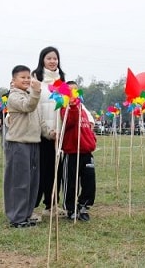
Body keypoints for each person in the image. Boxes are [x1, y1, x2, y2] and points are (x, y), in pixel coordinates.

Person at [3, 65, 54, 228]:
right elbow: (28, 106)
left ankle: (27, 213)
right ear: (14, 80)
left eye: (28, 77)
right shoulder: (14, 97)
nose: (26, 80)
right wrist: (37, 91)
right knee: (19, 181)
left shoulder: (31, 96)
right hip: (19, 143)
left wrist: (50, 133)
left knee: (32, 181)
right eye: (22, 77)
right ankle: (17, 218)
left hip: (34, 144)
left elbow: (40, 120)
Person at [33, 46, 65, 217]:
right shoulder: (36, 79)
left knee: (56, 170)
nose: (53, 61)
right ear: (42, 60)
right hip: (42, 133)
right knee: (41, 170)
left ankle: (51, 205)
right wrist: (46, 131)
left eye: (55, 58)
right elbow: (35, 107)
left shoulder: (62, 81)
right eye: (49, 58)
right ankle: (32, 205)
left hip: (59, 134)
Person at [59, 82, 97, 221]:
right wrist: (72, 106)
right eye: (70, 90)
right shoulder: (65, 107)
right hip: (72, 152)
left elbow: (88, 126)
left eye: (75, 90)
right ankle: (70, 209)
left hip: (86, 152)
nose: (73, 92)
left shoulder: (83, 108)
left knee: (89, 182)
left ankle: (84, 206)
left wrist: (92, 139)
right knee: (71, 182)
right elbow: (69, 122)